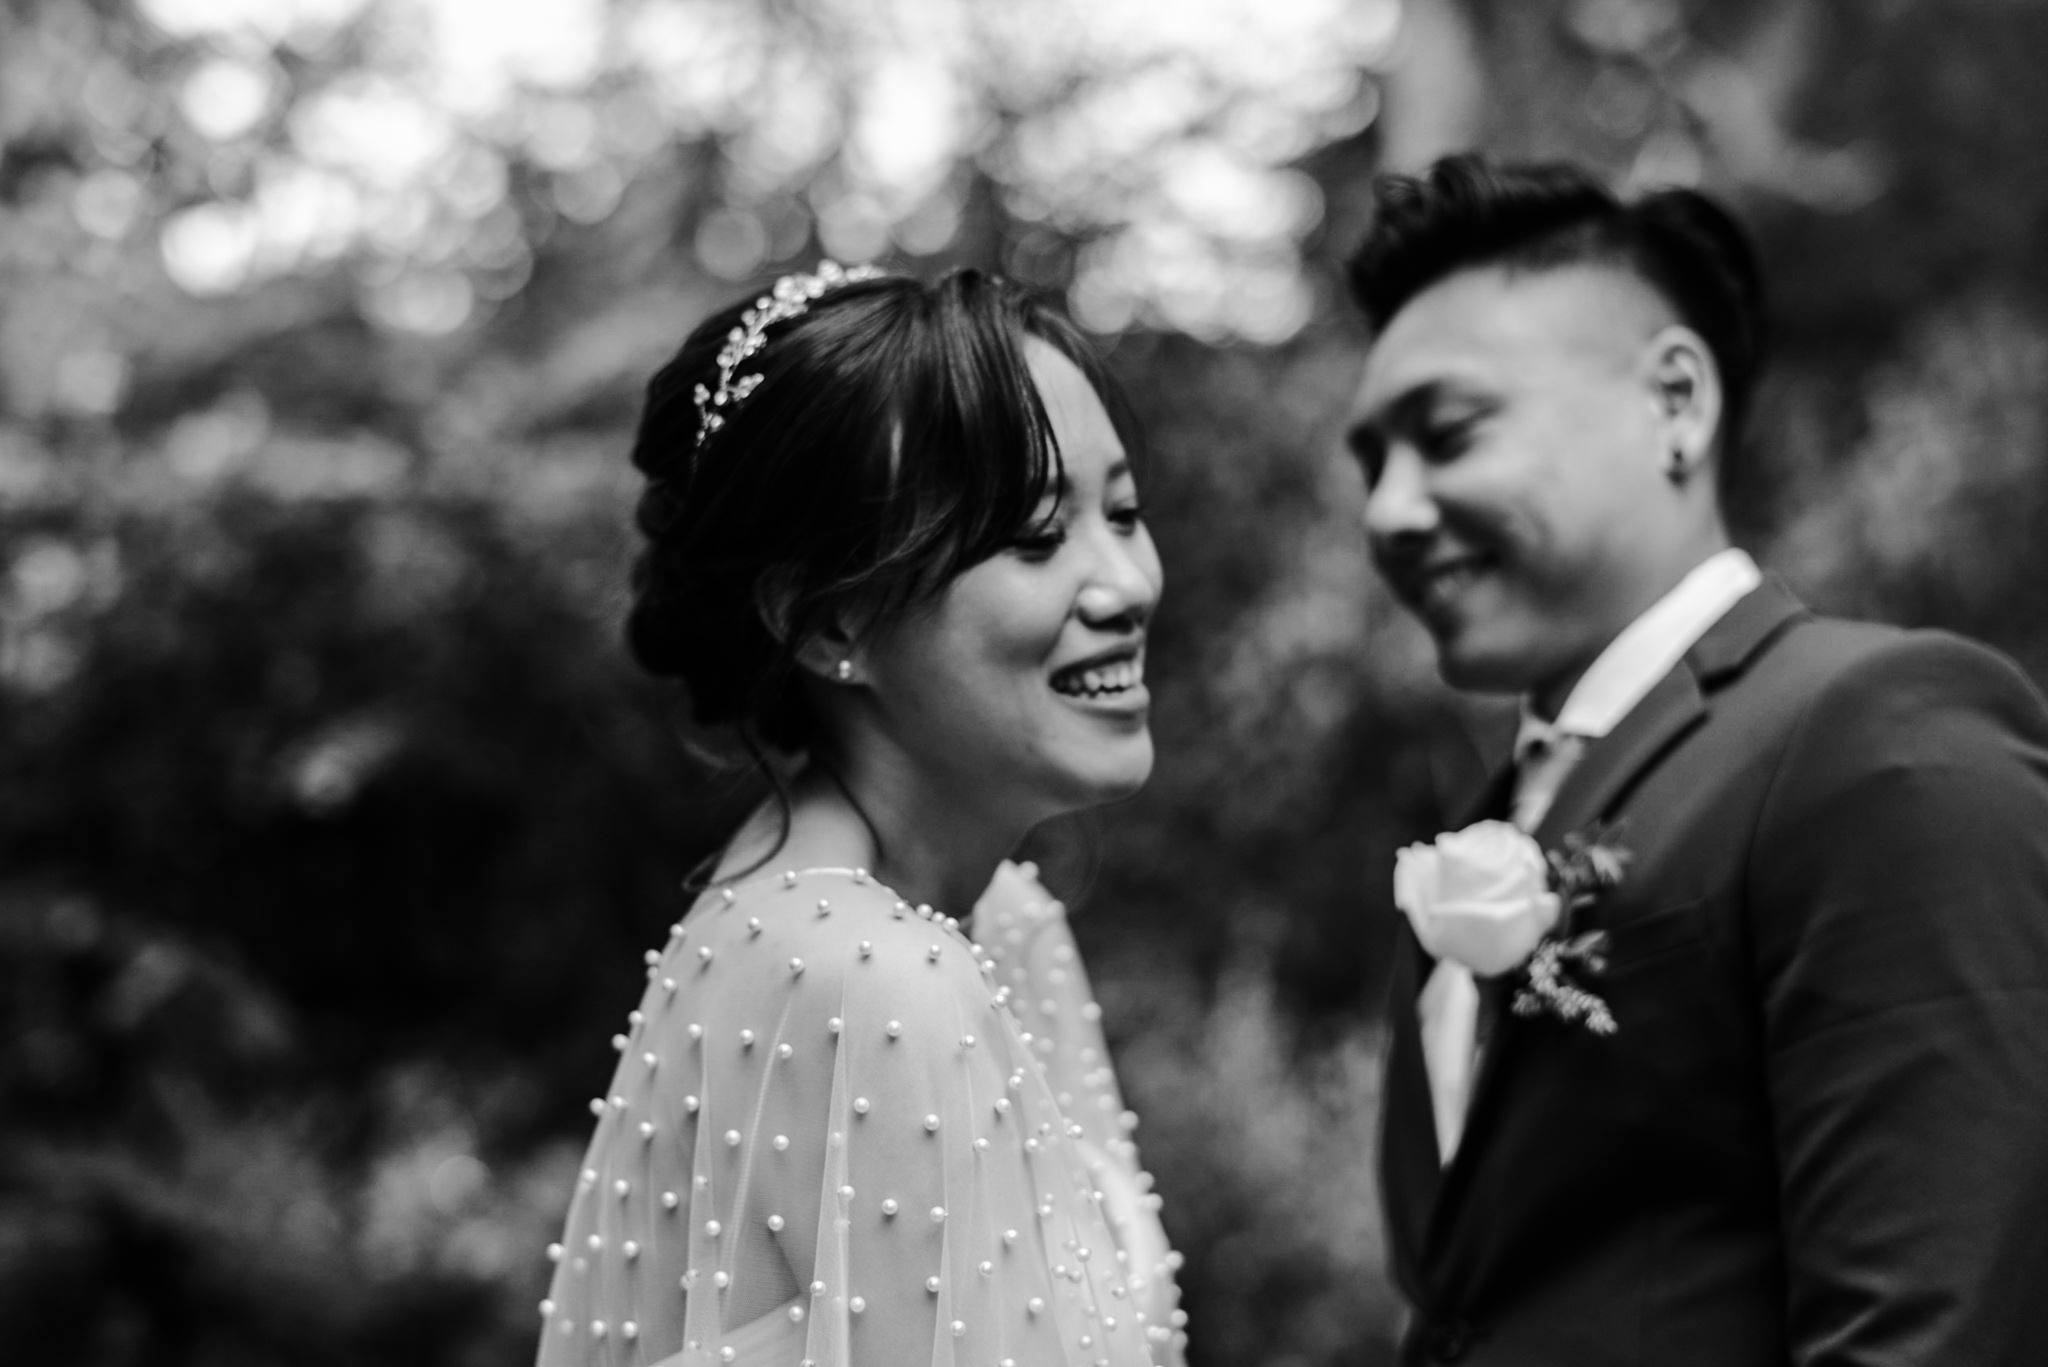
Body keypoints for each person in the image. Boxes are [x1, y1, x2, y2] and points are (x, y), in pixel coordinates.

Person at [1344, 154, 2048, 1365]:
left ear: (1673, 401)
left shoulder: (1879, 733)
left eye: (1446, 434)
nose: (1387, 510)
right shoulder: (1488, 819)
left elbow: (1933, 1327)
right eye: (1370, 463)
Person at [533, 263, 1186, 1367]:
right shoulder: (876, 980)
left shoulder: (1003, 920)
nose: (1125, 583)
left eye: (1122, 513)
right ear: (831, 620)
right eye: (1036, 535)